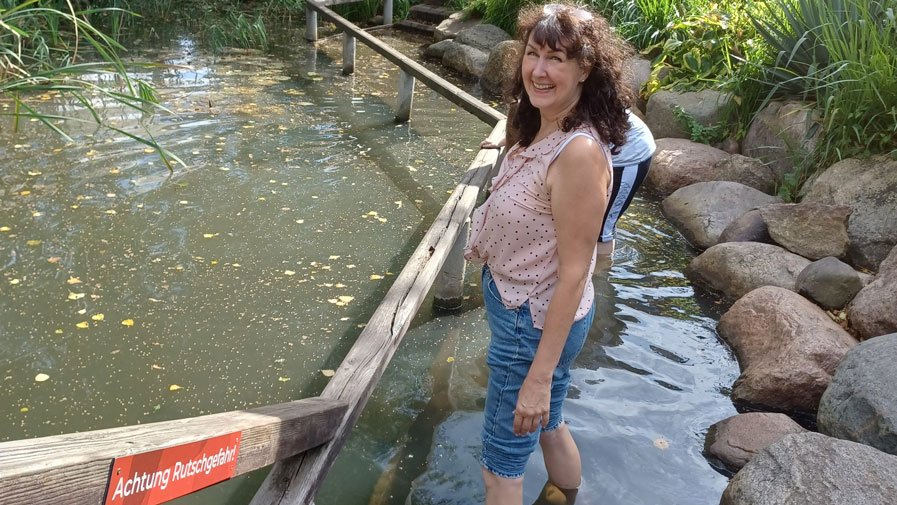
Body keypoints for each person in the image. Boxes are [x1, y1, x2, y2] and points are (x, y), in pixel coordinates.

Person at [463, 3, 634, 504]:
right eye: (532, 53)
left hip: (531, 324)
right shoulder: (544, 122)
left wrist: (537, 376)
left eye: (556, 58)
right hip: (530, 311)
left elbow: (576, 273)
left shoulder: (578, 154)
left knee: (500, 466)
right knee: (549, 422)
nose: (538, 70)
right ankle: (567, 496)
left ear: (585, 68)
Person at [483, 109, 655, 258]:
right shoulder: (547, 104)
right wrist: (503, 141)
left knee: (602, 228)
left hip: (627, 154)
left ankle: (599, 275)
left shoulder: (579, 105)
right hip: (597, 145)